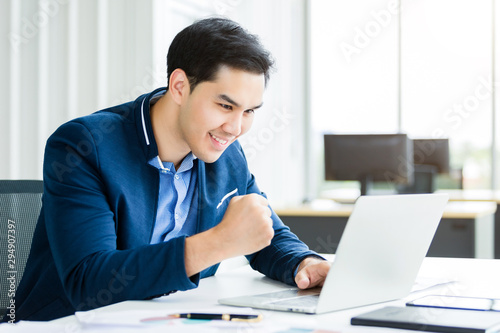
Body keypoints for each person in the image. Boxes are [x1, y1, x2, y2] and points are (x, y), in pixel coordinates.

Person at [9, 17, 330, 322]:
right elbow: (89, 282)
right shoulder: (85, 146)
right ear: (179, 86)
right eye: (225, 106)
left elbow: (263, 233)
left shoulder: (226, 153)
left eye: (249, 111)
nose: (235, 128)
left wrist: (306, 262)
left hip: (169, 321)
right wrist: (217, 242)